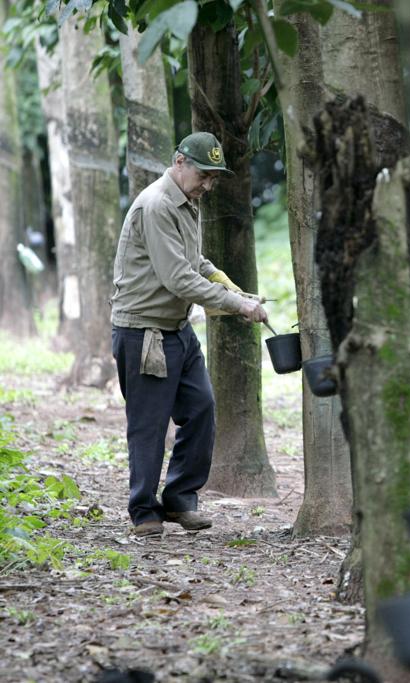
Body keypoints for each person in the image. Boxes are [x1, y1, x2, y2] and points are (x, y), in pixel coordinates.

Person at [110, 132, 267, 537]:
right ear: (180, 161)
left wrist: (228, 285)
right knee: (148, 425)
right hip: (144, 331)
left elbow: (194, 262)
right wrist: (239, 306)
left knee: (201, 409)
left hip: (177, 328)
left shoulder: (187, 203)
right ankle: (144, 511)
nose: (209, 185)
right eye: (204, 175)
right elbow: (178, 278)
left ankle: (180, 498)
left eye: (214, 177)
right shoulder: (157, 205)